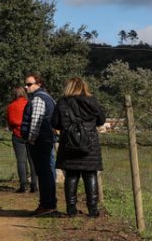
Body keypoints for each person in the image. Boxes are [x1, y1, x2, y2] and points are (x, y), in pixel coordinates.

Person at [52, 77, 106, 217]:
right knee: (90, 174)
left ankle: (71, 209)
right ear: (84, 87)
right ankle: (93, 210)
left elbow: (55, 123)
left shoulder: (62, 102)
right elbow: (101, 120)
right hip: (90, 145)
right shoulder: (92, 100)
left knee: (71, 175)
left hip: (69, 144)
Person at [21, 72, 58, 217]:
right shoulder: (49, 97)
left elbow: (36, 121)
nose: (26, 87)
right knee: (47, 171)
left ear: (39, 84)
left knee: (44, 173)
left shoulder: (37, 99)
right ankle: (49, 203)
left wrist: (31, 139)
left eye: (29, 84)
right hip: (46, 139)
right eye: (25, 84)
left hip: (40, 141)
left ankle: (47, 205)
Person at [6, 86, 38, 193]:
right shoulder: (30, 103)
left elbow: (10, 123)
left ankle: (23, 185)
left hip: (17, 134)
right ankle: (34, 185)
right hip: (30, 134)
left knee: (21, 161)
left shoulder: (10, 106)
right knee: (32, 160)